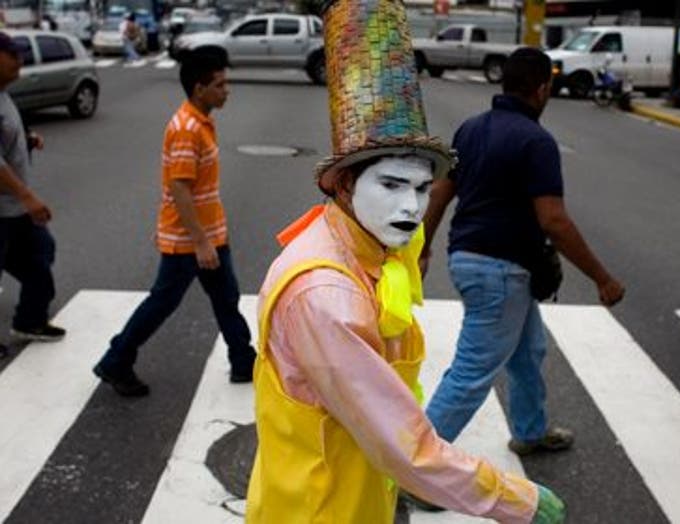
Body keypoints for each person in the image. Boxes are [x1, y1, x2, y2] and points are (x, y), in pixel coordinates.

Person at [245, 2, 565, 522]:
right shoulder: (326, 295)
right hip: (322, 510)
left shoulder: (371, 244)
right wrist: (516, 499)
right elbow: (403, 443)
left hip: (361, 493)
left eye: (421, 188)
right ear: (346, 185)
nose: (411, 207)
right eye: (391, 185)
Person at [421, 47, 625, 460]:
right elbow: (554, 220)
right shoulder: (537, 141)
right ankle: (417, 469)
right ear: (542, 89)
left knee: (528, 350)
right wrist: (602, 278)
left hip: (473, 260)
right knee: (471, 372)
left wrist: (421, 248)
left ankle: (530, 431)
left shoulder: (471, 129)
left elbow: (441, 193)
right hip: (501, 272)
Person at [93, 50, 255, 397]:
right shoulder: (186, 129)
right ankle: (116, 359)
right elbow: (179, 187)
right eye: (220, 84)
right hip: (189, 241)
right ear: (199, 88)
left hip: (208, 235)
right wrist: (200, 242)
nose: (227, 90)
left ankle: (243, 359)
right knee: (162, 303)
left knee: (226, 298)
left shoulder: (201, 121)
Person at [0, 32, 65, 342]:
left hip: (13, 209)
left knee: (42, 253)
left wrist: (26, 141)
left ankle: (29, 320)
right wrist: (28, 197)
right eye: (12, 54)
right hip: (6, 208)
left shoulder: (3, 94)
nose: (20, 59)